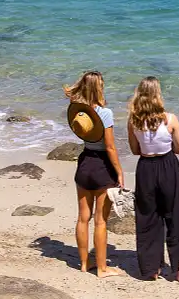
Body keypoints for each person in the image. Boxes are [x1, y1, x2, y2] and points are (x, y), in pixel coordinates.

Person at [127, 76, 179, 282]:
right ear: (158, 95)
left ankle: (150, 269)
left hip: (146, 167)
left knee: (148, 217)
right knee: (176, 214)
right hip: (167, 166)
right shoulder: (169, 119)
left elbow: (135, 150)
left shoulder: (133, 121)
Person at [64, 71, 124, 278]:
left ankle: (83, 263)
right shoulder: (105, 113)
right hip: (101, 166)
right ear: (99, 87)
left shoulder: (79, 113)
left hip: (84, 162)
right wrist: (120, 172)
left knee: (83, 218)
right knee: (100, 221)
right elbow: (110, 146)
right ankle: (102, 268)